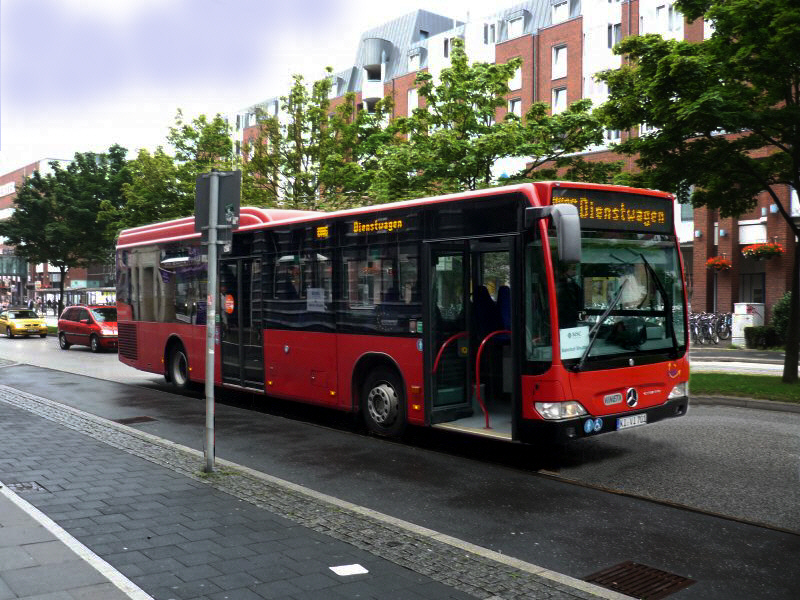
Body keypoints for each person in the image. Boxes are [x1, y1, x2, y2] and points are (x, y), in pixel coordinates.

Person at [556, 263, 582, 329]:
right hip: (566, 322)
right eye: (573, 269)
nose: (575, 273)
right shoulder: (562, 287)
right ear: (565, 272)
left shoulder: (572, 285)